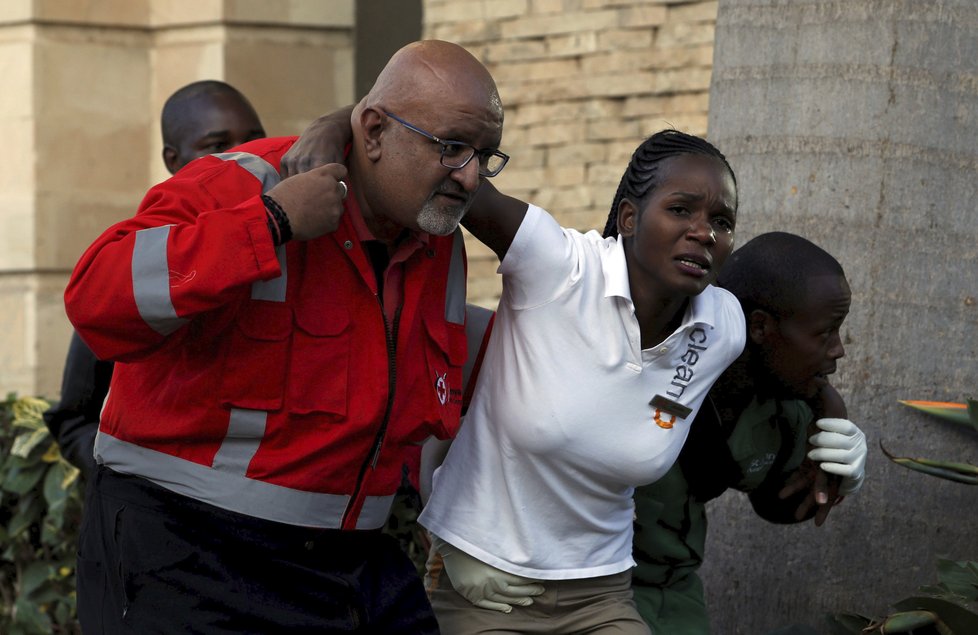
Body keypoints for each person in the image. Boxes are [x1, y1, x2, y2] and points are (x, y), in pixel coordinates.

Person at [63, 40, 506, 634]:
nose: (472, 174)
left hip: (346, 560)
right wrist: (269, 222)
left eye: (486, 155)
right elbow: (94, 296)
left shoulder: (435, 228)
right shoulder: (245, 182)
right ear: (372, 132)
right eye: (452, 148)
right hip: (187, 550)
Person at [418, 130, 748, 634]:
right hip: (481, 584)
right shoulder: (558, 266)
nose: (704, 232)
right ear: (630, 219)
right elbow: (441, 166)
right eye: (681, 210)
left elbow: (792, 341)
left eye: (721, 222)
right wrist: (340, 126)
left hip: (601, 593)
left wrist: (832, 411)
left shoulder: (722, 327)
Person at [630, 231, 867, 634]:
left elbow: (775, 501)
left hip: (673, 594)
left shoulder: (783, 408)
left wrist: (832, 476)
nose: (838, 349)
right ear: (760, 328)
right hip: (587, 586)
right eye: (824, 333)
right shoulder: (652, 362)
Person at [44, 80, 266, 482]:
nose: (239, 158)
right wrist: (135, 490)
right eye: (217, 146)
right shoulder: (141, 265)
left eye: (254, 141)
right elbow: (74, 419)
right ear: (173, 159)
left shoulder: (303, 246)